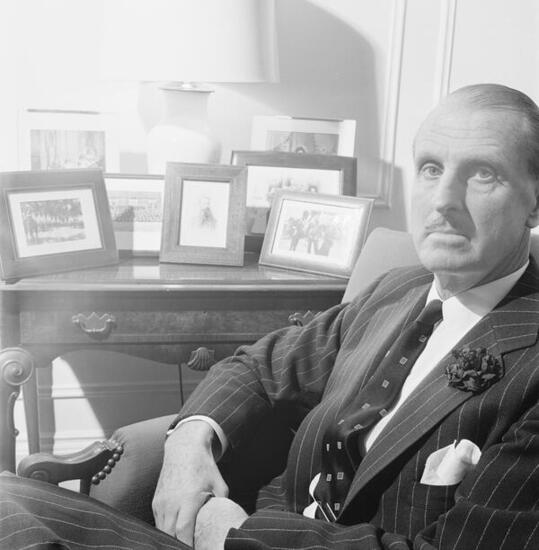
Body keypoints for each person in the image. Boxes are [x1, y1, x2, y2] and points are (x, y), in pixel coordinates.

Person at [2, 83, 539, 550]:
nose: (443, 200)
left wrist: (232, 535)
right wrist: (188, 442)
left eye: (483, 174)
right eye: (430, 168)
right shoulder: (397, 290)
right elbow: (257, 366)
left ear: (535, 203)